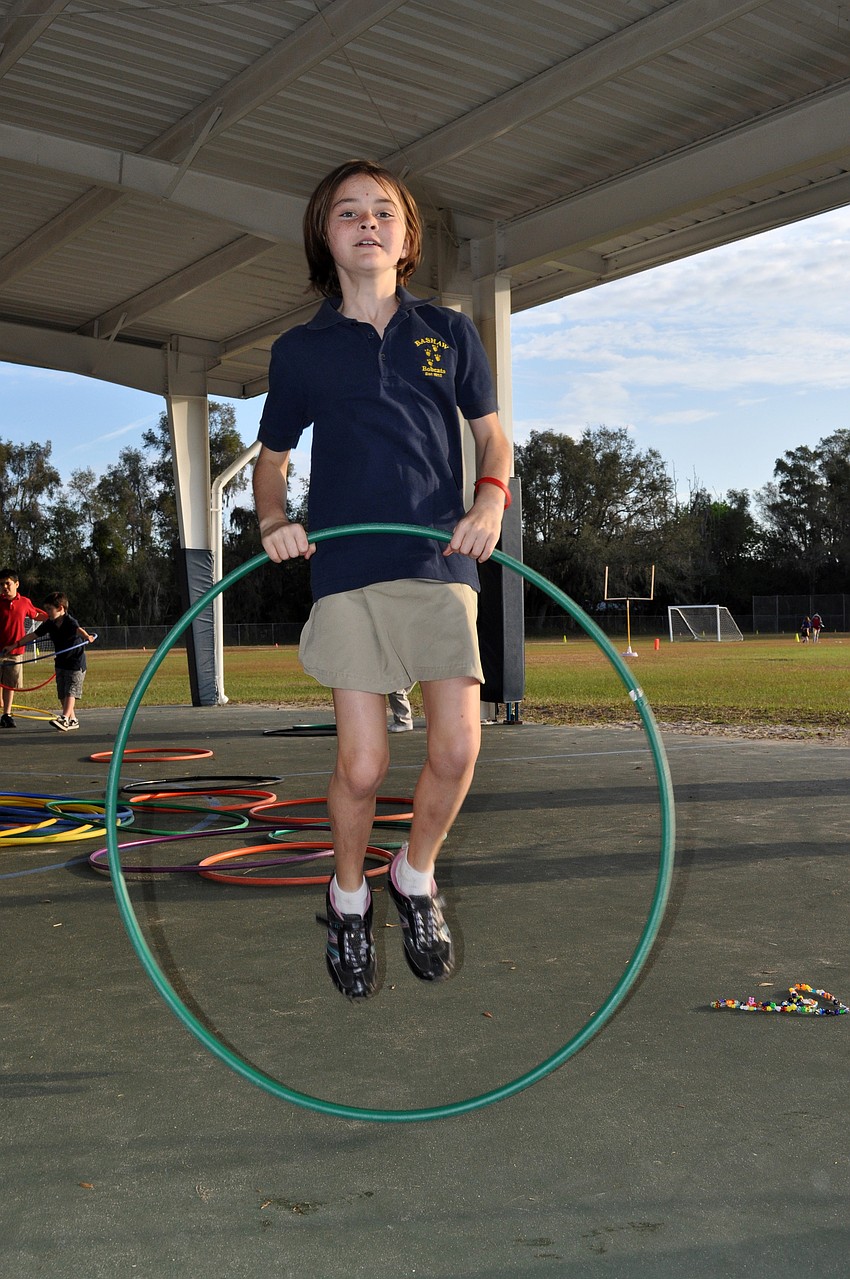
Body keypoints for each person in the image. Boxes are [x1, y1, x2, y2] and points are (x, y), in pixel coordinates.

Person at [254, 158, 511, 999]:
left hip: (438, 558)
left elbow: (494, 439)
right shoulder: (301, 351)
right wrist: (273, 521)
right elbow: (271, 462)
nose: (367, 222)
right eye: (348, 212)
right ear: (323, 238)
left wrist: (489, 500)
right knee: (362, 766)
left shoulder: (449, 331)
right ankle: (349, 895)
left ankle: (413, 873)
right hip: (348, 567)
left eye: (383, 212)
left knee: (458, 746)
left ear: (407, 239)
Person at [3, 591, 95, 731]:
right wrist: (15, 645)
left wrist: (88, 637)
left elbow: (79, 630)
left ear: (61, 608)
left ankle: (64, 718)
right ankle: (73, 719)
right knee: (62, 693)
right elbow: (33, 635)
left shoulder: (70, 621)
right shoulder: (50, 624)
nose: (47, 612)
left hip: (75, 662)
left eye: (49, 609)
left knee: (71, 691)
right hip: (61, 662)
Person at [0, 568, 47, 728]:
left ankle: (6, 714)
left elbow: (36, 615)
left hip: (14, 652)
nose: (4, 587)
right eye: (1, 584)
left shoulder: (24, 602)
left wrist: (53, 617)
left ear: (17, 584)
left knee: (10, 684)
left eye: (8, 583)